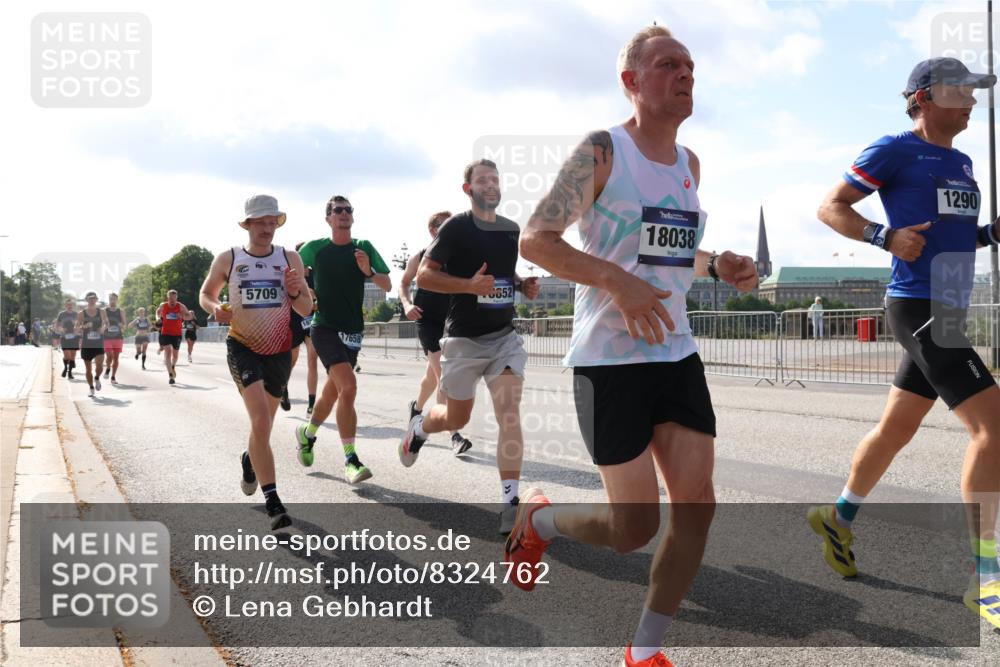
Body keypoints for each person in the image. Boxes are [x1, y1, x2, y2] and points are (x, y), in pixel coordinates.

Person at [517, 25, 759, 666]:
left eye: (690, 65)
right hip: (609, 361)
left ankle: (644, 649)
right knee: (633, 529)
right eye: (668, 64)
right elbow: (536, 239)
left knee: (697, 503)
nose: (686, 74)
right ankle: (538, 520)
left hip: (675, 353)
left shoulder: (689, 164)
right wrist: (615, 282)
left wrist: (717, 265)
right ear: (631, 81)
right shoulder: (603, 151)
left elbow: (670, 252)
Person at [810, 56, 1000, 629]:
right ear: (924, 97)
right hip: (919, 305)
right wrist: (883, 235)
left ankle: (838, 518)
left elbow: (957, 236)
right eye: (960, 92)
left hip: (949, 308)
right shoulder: (894, 149)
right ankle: (987, 580)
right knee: (994, 429)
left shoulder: (962, 162)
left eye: (974, 93)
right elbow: (829, 207)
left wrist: (992, 233)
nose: (971, 102)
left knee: (896, 429)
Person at [400, 160, 541, 535]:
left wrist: (522, 284)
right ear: (468, 189)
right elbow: (425, 276)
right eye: (483, 180)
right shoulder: (456, 227)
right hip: (463, 340)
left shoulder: (510, 229)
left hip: (503, 337)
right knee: (455, 419)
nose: (491, 185)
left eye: (495, 179)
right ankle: (420, 428)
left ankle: (510, 503)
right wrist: (468, 286)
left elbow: (503, 272)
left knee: (509, 412)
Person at [200, 194, 311, 530]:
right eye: (261, 222)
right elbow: (206, 294)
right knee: (260, 421)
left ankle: (251, 459)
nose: (267, 228)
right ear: (247, 224)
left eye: (272, 222)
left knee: (263, 427)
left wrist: (295, 291)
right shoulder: (230, 258)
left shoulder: (289, 258)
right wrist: (215, 309)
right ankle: (273, 502)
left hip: (279, 350)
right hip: (243, 347)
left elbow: (306, 309)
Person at [295, 196, 391, 484]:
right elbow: (291, 274)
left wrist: (368, 271)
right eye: (338, 210)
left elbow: (387, 284)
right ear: (328, 218)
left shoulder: (363, 247)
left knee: (333, 393)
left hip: (353, 330)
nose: (344, 213)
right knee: (348, 386)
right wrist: (304, 287)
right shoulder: (314, 248)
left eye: (348, 210)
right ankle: (351, 460)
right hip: (324, 327)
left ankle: (307, 434)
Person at [399, 210, 474, 455]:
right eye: (445, 224)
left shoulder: (458, 256)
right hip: (427, 320)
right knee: (444, 376)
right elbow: (404, 283)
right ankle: (454, 435)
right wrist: (407, 305)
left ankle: (416, 408)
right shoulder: (420, 256)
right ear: (433, 230)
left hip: (450, 321)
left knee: (432, 376)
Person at [281, 243, 319, 413]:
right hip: (294, 321)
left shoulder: (316, 273)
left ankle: (311, 403)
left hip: (311, 321)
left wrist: (315, 299)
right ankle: (283, 387)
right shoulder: (290, 274)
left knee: (312, 360)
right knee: (292, 360)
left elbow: (322, 295)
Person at [77, 292, 108, 398]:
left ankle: (97, 378)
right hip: (86, 344)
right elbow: (76, 328)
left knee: (99, 366)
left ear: (96, 300)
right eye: (90, 298)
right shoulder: (81, 313)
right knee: (88, 369)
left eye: (94, 298)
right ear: (87, 300)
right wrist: (84, 326)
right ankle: (91, 388)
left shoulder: (101, 312)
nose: (92, 300)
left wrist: (103, 328)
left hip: (98, 343)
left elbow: (106, 323)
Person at [156, 290, 189, 385]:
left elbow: (188, 316)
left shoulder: (181, 306)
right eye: (170, 298)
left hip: (177, 334)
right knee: (167, 353)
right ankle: (170, 375)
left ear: (176, 298)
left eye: (174, 299)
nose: (172, 301)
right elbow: (157, 312)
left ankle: (173, 366)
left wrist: (182, 316)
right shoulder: (163, 305)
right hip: (165, 332)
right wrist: (158, 318)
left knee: (175, 356)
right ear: (168, 298)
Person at [53, 299, 80, 379]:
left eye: (71, 304)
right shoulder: (61, 314)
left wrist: (77, 328)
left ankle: (70, 372)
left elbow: (81, 324)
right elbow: (57, 325)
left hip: (74, 337)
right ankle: (66, 368)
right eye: (68, 304)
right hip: (64, 337)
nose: (69, 306)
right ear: (65, 305)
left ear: (73, 305)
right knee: (66, 355)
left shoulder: (76, 314)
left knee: (73, 356)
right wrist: (61, 329)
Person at [102, 293, 125, 383]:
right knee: (109, 356)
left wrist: (121, 325)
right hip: (107, 337)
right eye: (111, 299)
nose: (112, 301)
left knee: (116, 358)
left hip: (118, 337)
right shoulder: (104, 311)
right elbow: (101, 323)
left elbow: (124, 324)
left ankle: (113, 377)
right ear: (109, 300)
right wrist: (104, 326)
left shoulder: (121, 311)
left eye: (114, 299)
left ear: (117, 300)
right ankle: (108, 368)